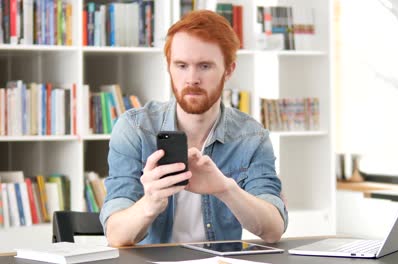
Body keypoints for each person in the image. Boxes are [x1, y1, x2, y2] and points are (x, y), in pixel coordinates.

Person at [100, 10, 288, 246]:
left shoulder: (252, 137)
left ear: (229, 70)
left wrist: (225, 189)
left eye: (205, 66)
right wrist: (150, 203)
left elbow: (273, 230)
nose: (192, 79)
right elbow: (115, 235)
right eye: (181, 65)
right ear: (169, 67)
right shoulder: (134, 129)